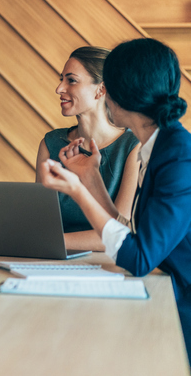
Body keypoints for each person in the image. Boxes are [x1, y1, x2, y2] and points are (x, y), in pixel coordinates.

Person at [38, 38, 191, 362]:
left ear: (122, 93)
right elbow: (129, 234)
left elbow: (138, 258)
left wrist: (77, 190)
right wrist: (91, 177)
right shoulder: (162, 146)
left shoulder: (179, 158)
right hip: (169, 291)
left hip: (183, 307)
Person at [36, 47, 139, 251]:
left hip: (109, 264)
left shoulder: (133, 147)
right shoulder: (51, 143)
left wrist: (50, 242)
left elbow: (120, 231)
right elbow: (41, 222)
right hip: (51, 259)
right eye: (61, 79)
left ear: (101, 90)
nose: (59, 89)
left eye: (71, 80)